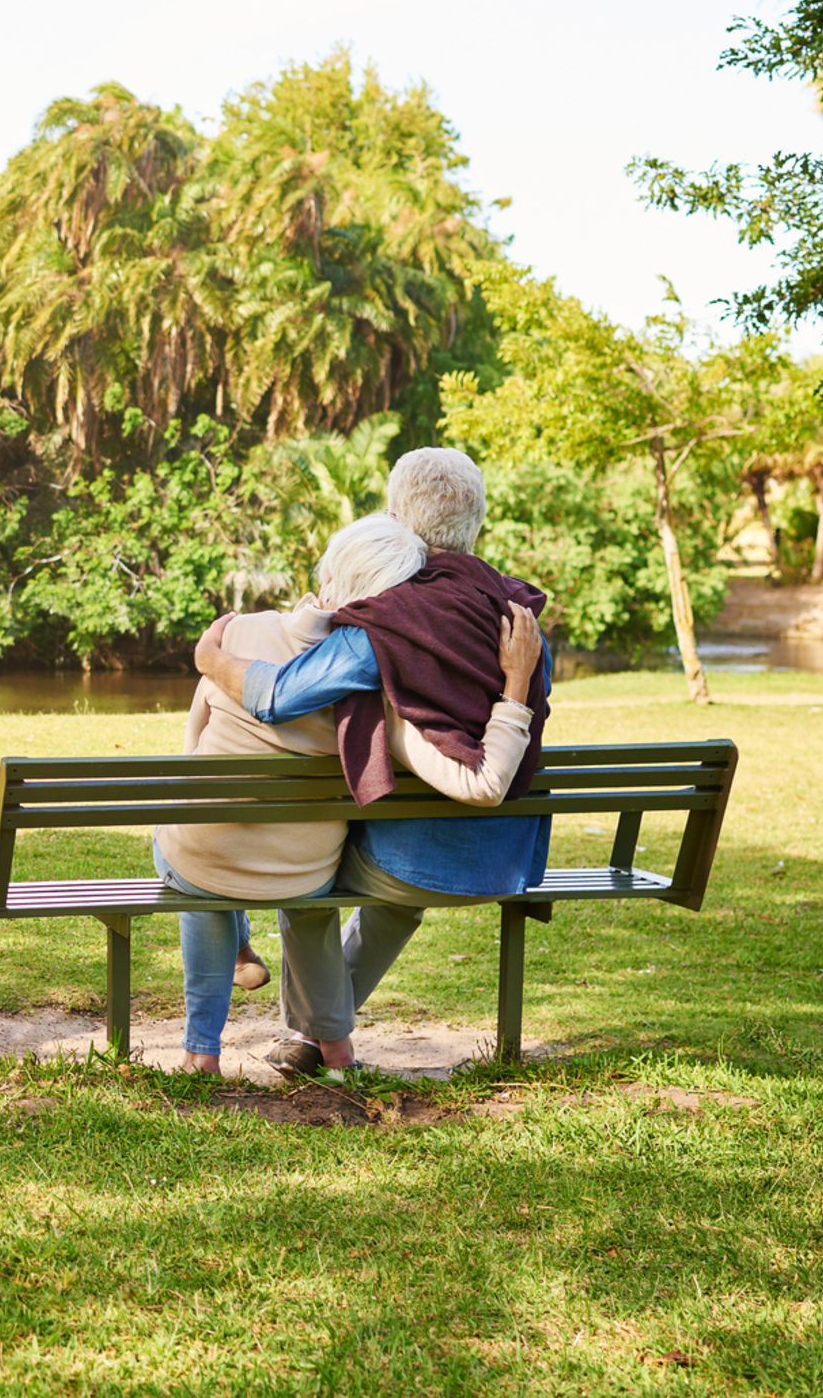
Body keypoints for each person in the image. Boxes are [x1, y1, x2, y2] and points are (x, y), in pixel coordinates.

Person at [191, 447, 552, 1078]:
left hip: (417, 855)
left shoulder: (387, 622)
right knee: (377, 880)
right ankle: (319, 1040)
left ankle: (322, 1037)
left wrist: (211, 661)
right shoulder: (516, 614)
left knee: (308, 868)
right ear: (479, 523)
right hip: (510, 855)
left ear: (396, 516)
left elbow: (278, 695)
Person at [152, 515, 427, 1073]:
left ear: (328, 572)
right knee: (307, 910)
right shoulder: (379, 681)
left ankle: (201, 1051)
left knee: (197, 864)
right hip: (304, 871)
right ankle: (337, 1053)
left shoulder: (239, 632)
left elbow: (194, 738)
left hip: (206, 853)